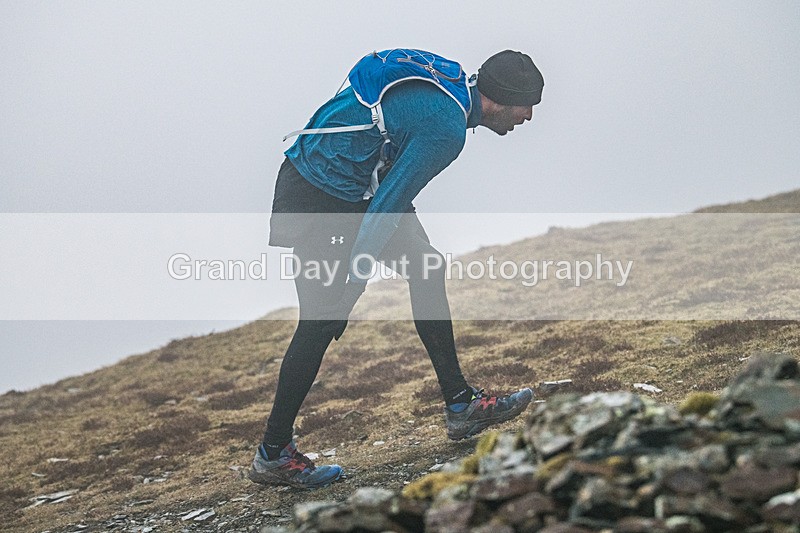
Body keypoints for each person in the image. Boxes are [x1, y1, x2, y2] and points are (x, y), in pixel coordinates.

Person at [249, 48, 544, 489]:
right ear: (502, 98)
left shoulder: (450, 89)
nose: (528, 117)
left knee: (426, 266)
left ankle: (460, 403)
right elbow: (386, 209)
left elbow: (392, 181)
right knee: (321, 321)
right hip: (317, 195)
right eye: (528, 105)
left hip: (355, 185)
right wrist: (352, 283)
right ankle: (273, 453)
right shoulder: (447, 128)